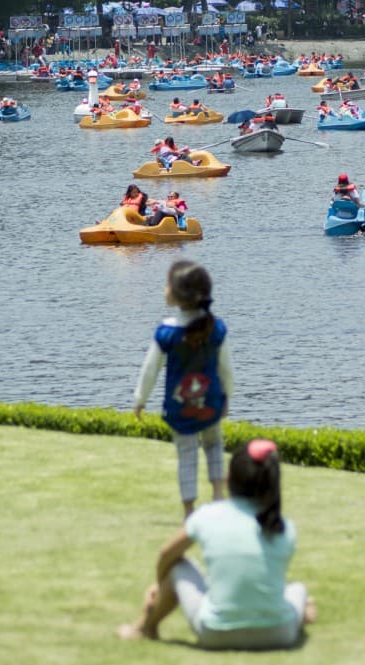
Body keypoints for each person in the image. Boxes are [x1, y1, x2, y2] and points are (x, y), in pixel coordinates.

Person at [117, 438, 316, 648]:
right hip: (280, 633)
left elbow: (167, 554)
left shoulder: (208, 515)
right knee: (297, 589)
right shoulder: (283, 527)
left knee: (178, 565)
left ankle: (143, 627)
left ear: (229, 479)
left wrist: (159, 585)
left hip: (215, 631)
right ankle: (304, 609)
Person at [133, 260, 233, 517]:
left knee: (186, 453)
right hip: (210, 400)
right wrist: (226, 396)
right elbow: (226, 369)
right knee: (214, 445)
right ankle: (219, 496)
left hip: (181, 407)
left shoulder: (167, 332)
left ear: (178, 294)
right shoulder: (216, 328)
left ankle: (189, 508)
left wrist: (140, 399)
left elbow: (150, 369)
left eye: (167, 284)